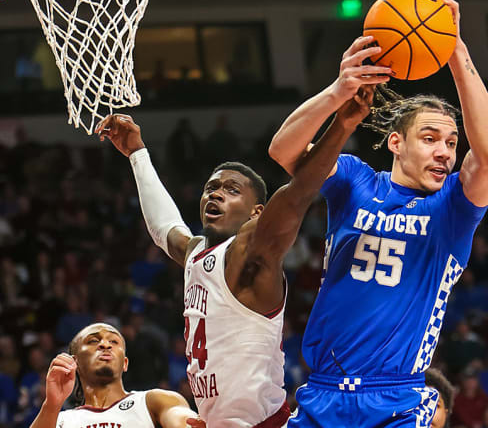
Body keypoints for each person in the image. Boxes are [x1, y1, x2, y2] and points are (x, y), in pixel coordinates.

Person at [269, 0, 488, 426]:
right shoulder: (355, 180)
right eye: (431, 138)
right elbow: (283, 150)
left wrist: (452, 47)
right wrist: (339, 91)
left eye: (452, 143)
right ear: (396, 142)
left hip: (395, 399)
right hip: (321, 393)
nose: (444, 152)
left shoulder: (454, 206)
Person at [95, 99, 371, 428]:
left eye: (231, 190)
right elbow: (164, 229)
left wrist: (341, 125)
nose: (216, 194)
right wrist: (137, 153)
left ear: (257, 213)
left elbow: (299, 193)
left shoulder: (252, 253)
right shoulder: (196, 254)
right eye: (211, 188)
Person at [28, 323, 203, 428]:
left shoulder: (153, 401)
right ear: (75, 363)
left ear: (125, 363)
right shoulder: (62, 420)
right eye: (94, 341)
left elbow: (181, 419)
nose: (105, 344)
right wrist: (51, 404)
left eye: (113, 341)